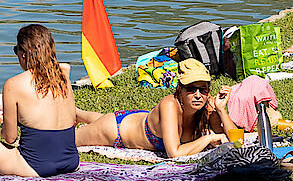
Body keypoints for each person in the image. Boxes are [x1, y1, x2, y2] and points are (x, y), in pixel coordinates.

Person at [0, 25, 80, 177]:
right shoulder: (63, 78)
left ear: (24, 54)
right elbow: (71, 119)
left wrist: (4, 122)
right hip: (71, 161)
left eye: (17, 50)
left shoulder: (13, 84)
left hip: (35, 166)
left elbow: (10, 138)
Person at [73, 59, 238, 158]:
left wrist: (221, 110)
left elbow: (237, 141)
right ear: (180, 90)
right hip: (115, 130)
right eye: (191, 89)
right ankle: (74, 112)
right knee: (67, 140)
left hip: (140, 120)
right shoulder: (169, 105)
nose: (197, 95)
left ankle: (79, 114)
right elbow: (175, 153)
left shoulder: (206, 105)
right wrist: (208, 139)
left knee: (103, 118)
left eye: (203, 89)